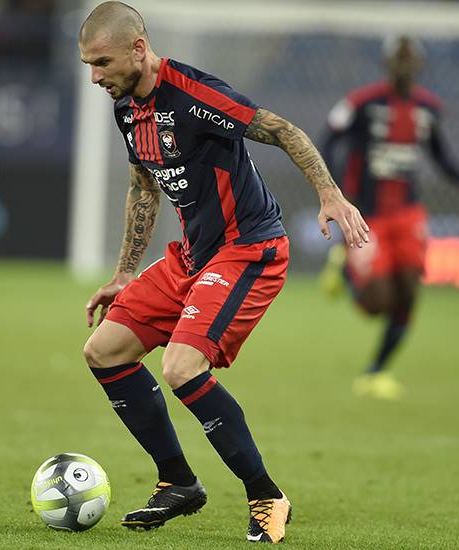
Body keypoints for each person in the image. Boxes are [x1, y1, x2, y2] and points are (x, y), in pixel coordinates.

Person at [78, 2, 369, 544]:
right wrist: (124, 273)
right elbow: (144, 186)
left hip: (247, 251)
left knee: (181, 366)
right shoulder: (126, 108)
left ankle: (266, 495)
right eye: (89, 65)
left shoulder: (193, 94)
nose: (94, 76)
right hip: (192, 254)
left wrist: (329, 194)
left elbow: (283, 130)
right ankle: (178, 482)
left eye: (102, 62)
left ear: (138, 49)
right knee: (104, 350)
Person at [319, 35, 459, 400]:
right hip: (369, 216)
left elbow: (439, 153)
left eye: (410, 60)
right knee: (377, 303)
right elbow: (329, 138)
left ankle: (376, 372)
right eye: (399, 59)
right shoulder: (362, 102)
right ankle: (344, 267)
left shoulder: (428, 108)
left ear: (419, 66)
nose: (404, 66)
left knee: (410, 291)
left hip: (408, 214)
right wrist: (331, 186)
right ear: (387, 64)